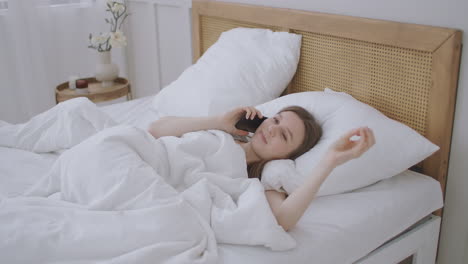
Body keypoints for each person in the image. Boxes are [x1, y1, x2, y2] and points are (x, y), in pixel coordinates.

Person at [148, 106, 375, 231]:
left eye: (284, 135)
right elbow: (156, 129)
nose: (273, 129)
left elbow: (283, 220)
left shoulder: (265, 177)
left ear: (288, 156)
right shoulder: (222, 132)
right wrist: (217, 121)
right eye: (275, 120)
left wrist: (329, 162)